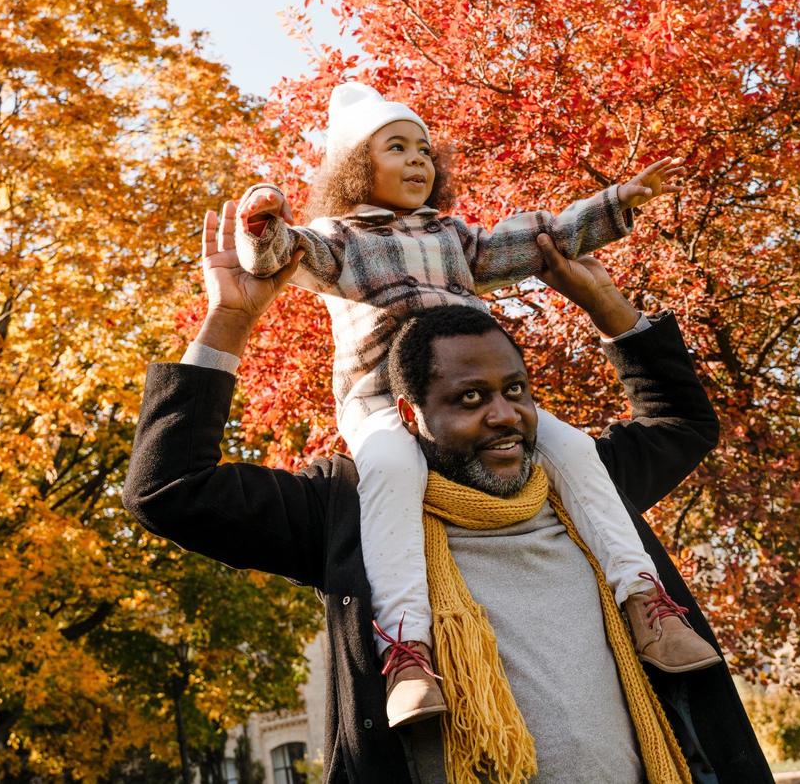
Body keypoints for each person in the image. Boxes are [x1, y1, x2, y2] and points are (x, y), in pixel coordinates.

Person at [122, 200, 774, 783]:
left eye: (515, 391)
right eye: (469, 398)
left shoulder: (583, 488)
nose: (504, 415)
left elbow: (683, 424)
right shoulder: (348, 514)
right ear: (409, 415)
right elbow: (170, 489)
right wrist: (230, 319)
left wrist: (606, 304)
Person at [233, 82, 720, 726]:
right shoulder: (339, 239)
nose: (417, 161)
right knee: (391, 472)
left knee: (575, 450)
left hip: (476, 390)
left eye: (424, 150)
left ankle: (645, 601)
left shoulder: (452, 236)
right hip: (381, 393)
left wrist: (613, 204)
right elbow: (284, 255)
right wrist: (260, 223)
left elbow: (533, 239)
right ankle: (407, 651)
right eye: (396, 148)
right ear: (357, 166)